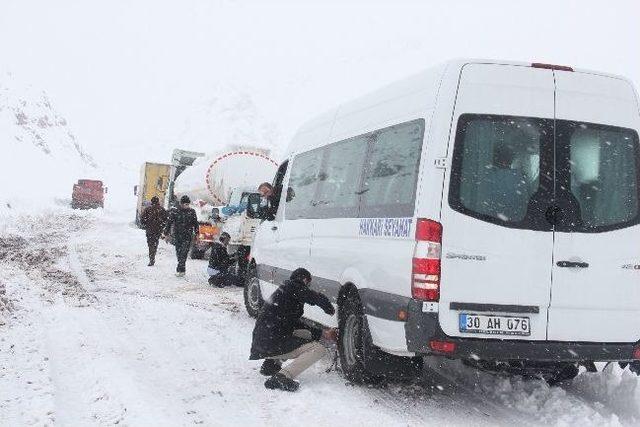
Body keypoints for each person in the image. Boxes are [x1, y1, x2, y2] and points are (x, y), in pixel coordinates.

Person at [250, 268, 336, 392]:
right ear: (305, 280)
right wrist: (329, 308)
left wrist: (323, 333)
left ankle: (271, 364)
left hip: (263, 341)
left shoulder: (284, 292)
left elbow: (294, 325)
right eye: (309, 283)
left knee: (304, 333)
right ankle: (282, 376)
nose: (308, 287)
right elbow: (314, 297)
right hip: (270, 342)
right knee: (318, 349)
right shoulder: (293, 288)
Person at [163, 195, 199, 277]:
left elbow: (195, 224)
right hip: (177, 236)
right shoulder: (175, 212)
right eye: (185, 204)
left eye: (188, 204)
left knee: (184, 253)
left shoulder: (192, 212)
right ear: (181, 204)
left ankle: (180, 270)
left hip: (188, 236)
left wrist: (197, 233)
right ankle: (182, 268)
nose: (186, 205)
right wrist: (166, 234)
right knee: (179, 253)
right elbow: (169, 223)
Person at [140, 196, 167, 266]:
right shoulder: (162, 209)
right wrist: (162, 226)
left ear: (151, 202)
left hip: (149, 230)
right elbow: (165, 220)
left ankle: (151, 258)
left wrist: (146, 225)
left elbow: (142, 220)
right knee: (155, 243)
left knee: (150, 244)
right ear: (158, 202)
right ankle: (153, 255)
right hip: (158, 230)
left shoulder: (147, 209)